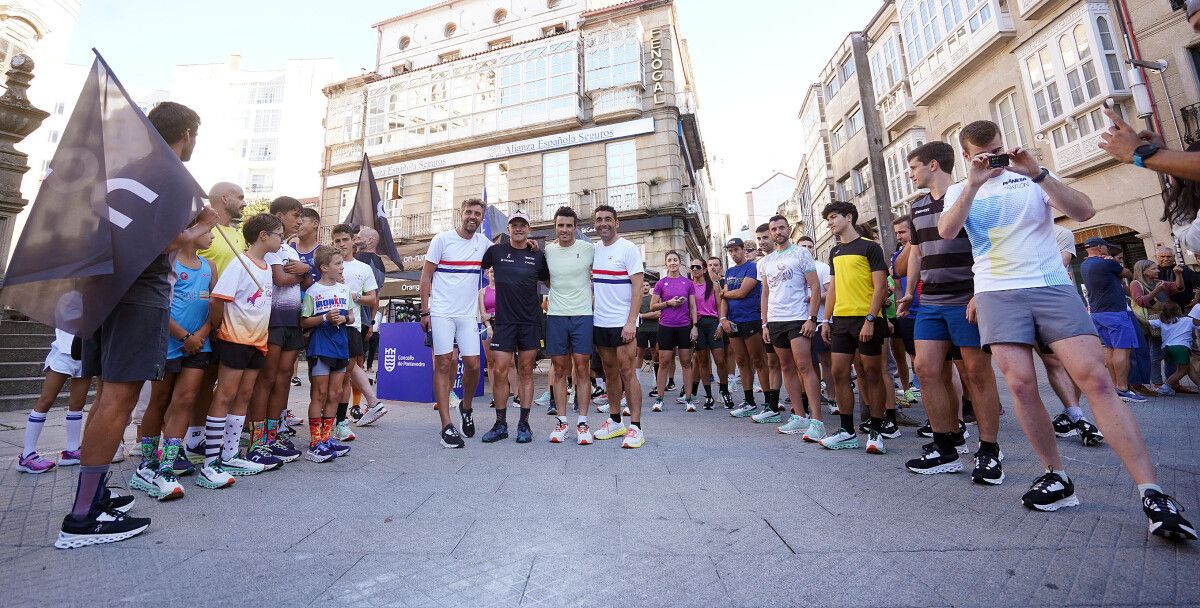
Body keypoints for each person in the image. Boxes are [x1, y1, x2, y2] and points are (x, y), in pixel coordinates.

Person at [939, 119, 1195, 540]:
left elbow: (1083, 211)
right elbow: (948, 231)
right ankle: (1055, 476)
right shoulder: (959, 188)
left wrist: (1037, 172)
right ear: (967, 156)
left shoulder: (1033, 173)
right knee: (1020, 385)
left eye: (999, 149)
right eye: (984, 154)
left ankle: (1153, 493)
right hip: (996, 290)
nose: (995, 159)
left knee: (1095, 378)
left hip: (1050, 286)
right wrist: (971, 183)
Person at [57, 102, 219, 549]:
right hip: (139, 286)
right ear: (186, 132)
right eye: (196, 135)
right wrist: (201, 225)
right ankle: (81, 518)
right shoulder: (171, 174)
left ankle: (95, 493)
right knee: (120, 395)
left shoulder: (127, 170)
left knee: (107, 393)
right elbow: (163, 240)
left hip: (104, 285)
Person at [895, 141, 1004, 483]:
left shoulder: (969, 194)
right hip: (930, 302)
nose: (910, 174)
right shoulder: (917, 207)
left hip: (966, 298)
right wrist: (910, 292)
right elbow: (916, 253)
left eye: (913, 167)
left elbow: (991, 245)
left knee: (976, 374)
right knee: (925, 369)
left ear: (932, 165)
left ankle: (989, 450)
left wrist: (980, 293)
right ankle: (945, 447)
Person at [129, 221, 218, 500]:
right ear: (190, 233)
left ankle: (167, 465)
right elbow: (161, 306)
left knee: (185, 399)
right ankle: (148, 463)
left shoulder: (209, 267)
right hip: (168, 343)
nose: (213, 236)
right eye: (208, 231)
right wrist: (183, 336)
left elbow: (213, 306)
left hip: (200, 344)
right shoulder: (169, 264)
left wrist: (201, 334)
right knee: (160, 399)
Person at [205, 213, 283, 478]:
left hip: (258, 342)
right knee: (224, 395)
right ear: (263, 236)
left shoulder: (266, 268)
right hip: (235, 339)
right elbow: (218, 300)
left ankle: (230, 454)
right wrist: (217, 329)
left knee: (244, 396)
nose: (282, 240)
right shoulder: (239, 264)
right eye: (279, 235)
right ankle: (210, 462)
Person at [818, 202, 891, 454]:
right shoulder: (835, 252)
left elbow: (880, 287)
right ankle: (847, 431)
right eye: (828, 219)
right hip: (841, 320)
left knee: (872, 374)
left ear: (849, 217)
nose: (830, 222)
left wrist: (871, 319)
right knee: (839, 373)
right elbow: (834, 289)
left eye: (833, 217)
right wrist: (826, 320)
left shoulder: (871, 248)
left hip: (867, 319)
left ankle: (876, 431)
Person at [419, 198, 491, 448]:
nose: (473, 217)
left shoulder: (484, 243)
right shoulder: (442, 239)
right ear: (460, 214)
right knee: (443, 363)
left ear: (482, 218)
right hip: (441, 313)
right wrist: (424, 311)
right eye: (469, 212)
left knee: (473, 364)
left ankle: (466, 406)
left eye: (478, 214)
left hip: (467, 315)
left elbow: (505, 254)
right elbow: (426, 276)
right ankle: (446, 426)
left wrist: (530, 245)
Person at [246, 196, 309, 469]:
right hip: (271, 321)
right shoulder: (269, 247)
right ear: (280, 216)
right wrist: (304, 271)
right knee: (267, 378)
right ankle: (256, 438)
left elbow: (305, 278)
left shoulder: (291, 250)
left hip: (292, 320)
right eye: (296, 215)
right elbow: (281, 279)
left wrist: (305, 269)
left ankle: (274, 434)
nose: (300, 220)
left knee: (284, 377)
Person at [479, 211, 550, 444]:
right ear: (508, 228)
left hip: (530, 321)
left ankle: (524, 424)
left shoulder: (537, 255)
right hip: (504, 322)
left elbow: (550, 281)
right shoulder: (495, 252)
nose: (518, 229)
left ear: (529, 228)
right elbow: (474, 263)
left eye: (522, 225)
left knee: (526, 371)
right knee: (499, 371)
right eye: (514, 225)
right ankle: (500, 424)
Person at [758, 215, 825, 440]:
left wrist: (812, 318)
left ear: (788, 229)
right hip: (775, 320)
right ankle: (799, 416)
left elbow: (815, 287)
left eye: (781, 227)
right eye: (774, 229)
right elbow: (765, 294)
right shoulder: (765, 261)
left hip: (798, 318)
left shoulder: (801, 253)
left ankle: (817, 420)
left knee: (804, 366)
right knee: (785, 367)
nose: (778, 232)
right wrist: (765, 323)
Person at [590, 205, 646, 448]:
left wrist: (631, 322)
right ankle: (615, 421)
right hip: (600, 322)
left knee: (628, 373)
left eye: (608, 219)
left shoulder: (629, 248)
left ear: (617, 222)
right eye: (599, 220)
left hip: (623, 324)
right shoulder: (594, 250)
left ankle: (636, 427)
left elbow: (638, 289)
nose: (603, 223)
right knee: (610, 373)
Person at [542, 206, 597, 444]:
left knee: (583, 369)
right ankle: (562, 422)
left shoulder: (588, 249)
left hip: (583, 315)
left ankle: (583, 423)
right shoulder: (547, 251)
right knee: (560, 369)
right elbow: (544, 277)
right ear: (555, 227)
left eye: (568, 225)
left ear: (576, 228)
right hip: (556, 316)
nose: (564, 229)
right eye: (560, 225)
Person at [300, 245, 353, 462]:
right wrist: (324, 318)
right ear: (324, 267)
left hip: (341, 346)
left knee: (335, 393)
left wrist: (344, 319)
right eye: (338, 264)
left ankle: (326, 438)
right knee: (319, 394)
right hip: (321, 347)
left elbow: (351, 316)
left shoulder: (344, 290)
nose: (342, 268)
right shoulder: (313, 291)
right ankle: (315, 443)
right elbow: (303, 322)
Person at [332, 224, 387, 432]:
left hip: (351, 325)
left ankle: (341, 420)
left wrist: (356, 297)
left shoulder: (363, 268)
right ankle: (368, 404)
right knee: (337, 372)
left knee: (346, 372)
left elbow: (373, 298)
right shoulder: (327, 264)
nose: (341, 244)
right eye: (337, 241)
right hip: (326, 326)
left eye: (345, 240)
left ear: (353, 241)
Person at [18, 330, 95, 474]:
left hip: (86, 352)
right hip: (63, 352)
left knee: (78, 403)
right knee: (46, 400)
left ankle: (72, 451)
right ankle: (27, 455)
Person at [1080, 237, 1142, 402]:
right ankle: (1123, 388)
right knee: (1123, 349)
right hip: (1115, 312)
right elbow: (1127, 273)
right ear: (1100, 247)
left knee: (1110, 349)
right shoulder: (1107, 263)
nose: (1107, 250)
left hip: (1097, 313)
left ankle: (1115, 386)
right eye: (1106, 247)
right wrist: (1113, 262)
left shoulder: (1084, 264)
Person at [720, 238, 769, 415]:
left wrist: (725, 293)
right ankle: (749, 402)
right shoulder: (729, 271)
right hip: (733, 321)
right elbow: (724, 298)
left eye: (736, 250)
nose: (734, 254)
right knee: (741, 361)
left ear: (743, 250)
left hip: (751, 318)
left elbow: (742, 292)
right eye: (730, 251)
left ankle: (769, 402)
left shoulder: (752, 267)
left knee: (758, 360)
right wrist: (723, 318)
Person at [650, 251, 698, 412]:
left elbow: (693, 307)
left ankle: (689, 399)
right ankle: (659, 399)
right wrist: (668, 303)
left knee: (686, 363)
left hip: (684, 326)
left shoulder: (688, 283)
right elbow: (653, 306)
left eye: (675, 260)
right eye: (669, 260)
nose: (672, 263)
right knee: (664, 363)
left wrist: (695, 326)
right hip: (666, 326)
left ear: (680, 262)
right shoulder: (660, 283)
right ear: (666, 264)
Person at [1131, 259, 1179, 393]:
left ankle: (1172, 382)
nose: (1157, 270)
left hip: (1166, 320)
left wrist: (1179, 274)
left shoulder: (1158, 282)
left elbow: (1177, 287)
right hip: (1152, 322)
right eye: (1153, 269)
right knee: (1156, 353)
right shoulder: (1136, 284)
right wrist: (1157, 291)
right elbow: (1141, 302)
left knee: (1169, 352)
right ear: (1143, 271)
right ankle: (1157, 383)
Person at [689, 256, 726, 409]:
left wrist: (720, 325)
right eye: (692, 267)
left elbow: (719, 306)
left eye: (698, 267)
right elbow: (690, 309)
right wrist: (693, 326)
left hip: (713, 323)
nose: (695, 270)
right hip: (698, 325)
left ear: (704, 269)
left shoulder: (714, 285)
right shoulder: (689, 287)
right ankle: (708, 395)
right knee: (702, 360)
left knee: (720, 360)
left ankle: (724, 392)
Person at [889, 215, 918, 406]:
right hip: (908, 312)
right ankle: (912, 387)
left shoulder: (925, 248)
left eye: (903, 231)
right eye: (897, 233)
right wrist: (901, 304)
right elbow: (898, 282)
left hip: (929, 308)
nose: (899, 236)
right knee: (914, 359)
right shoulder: (896, 256)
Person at [1149, 302, 1195, 395]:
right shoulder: (1187, 320)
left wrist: (1134, 315)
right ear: (1178, 310)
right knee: (1182, 370)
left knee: (1189, 368)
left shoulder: (1162, 321)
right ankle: (1165, 387)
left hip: (1166, 349)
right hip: (1181, 348)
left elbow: (1146, 322)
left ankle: (1198, 385)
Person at [636, 281, 661, 397]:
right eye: (643, 285)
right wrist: (644, 315)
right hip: (641, 330)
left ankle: (656, 380)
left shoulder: (653, 298)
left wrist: (642, 315)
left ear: (650, 287)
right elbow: (635, 314)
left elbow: (657, 314)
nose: (645, 287)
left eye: (647, 285)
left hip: (654, 329)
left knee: (655, 353)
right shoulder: (637, 299)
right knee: (639, 354)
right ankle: (636, 380)